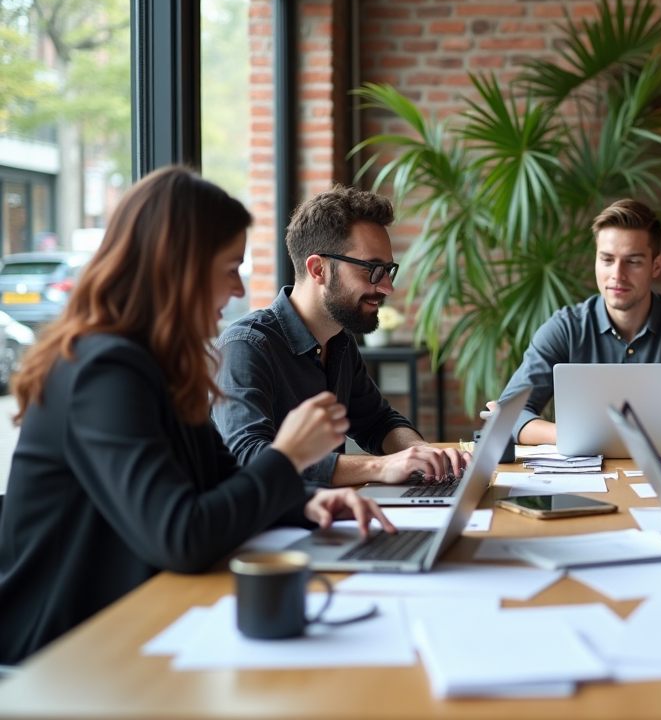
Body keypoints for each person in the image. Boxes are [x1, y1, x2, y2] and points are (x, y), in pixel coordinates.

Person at [0, 167, 394, 665]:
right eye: (229, 268)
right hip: (63, 653)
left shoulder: (160, 366)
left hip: (133, 627)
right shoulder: (101, 371)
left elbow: (222, 480)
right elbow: (182, 537)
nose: (236, 290)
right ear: (178, 267)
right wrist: (289, 455)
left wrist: (307, 504)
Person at [212, 187, 467, 487]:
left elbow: (378, 422)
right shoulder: (247, 346)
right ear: (318, 269)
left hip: (329, 518)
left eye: (388, 270)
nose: (387, 287)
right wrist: (379, 467)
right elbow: (249, 458)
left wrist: (421, 454)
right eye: (372, 270)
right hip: (268, 530)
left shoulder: (340, 342)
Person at [495, 198, 661, 444]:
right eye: (607, 260)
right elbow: (507, 415)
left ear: (656, 265)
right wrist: (575, 435)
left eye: (632, 261)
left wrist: (640, 435)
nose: (617, 275)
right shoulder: (565, 328)